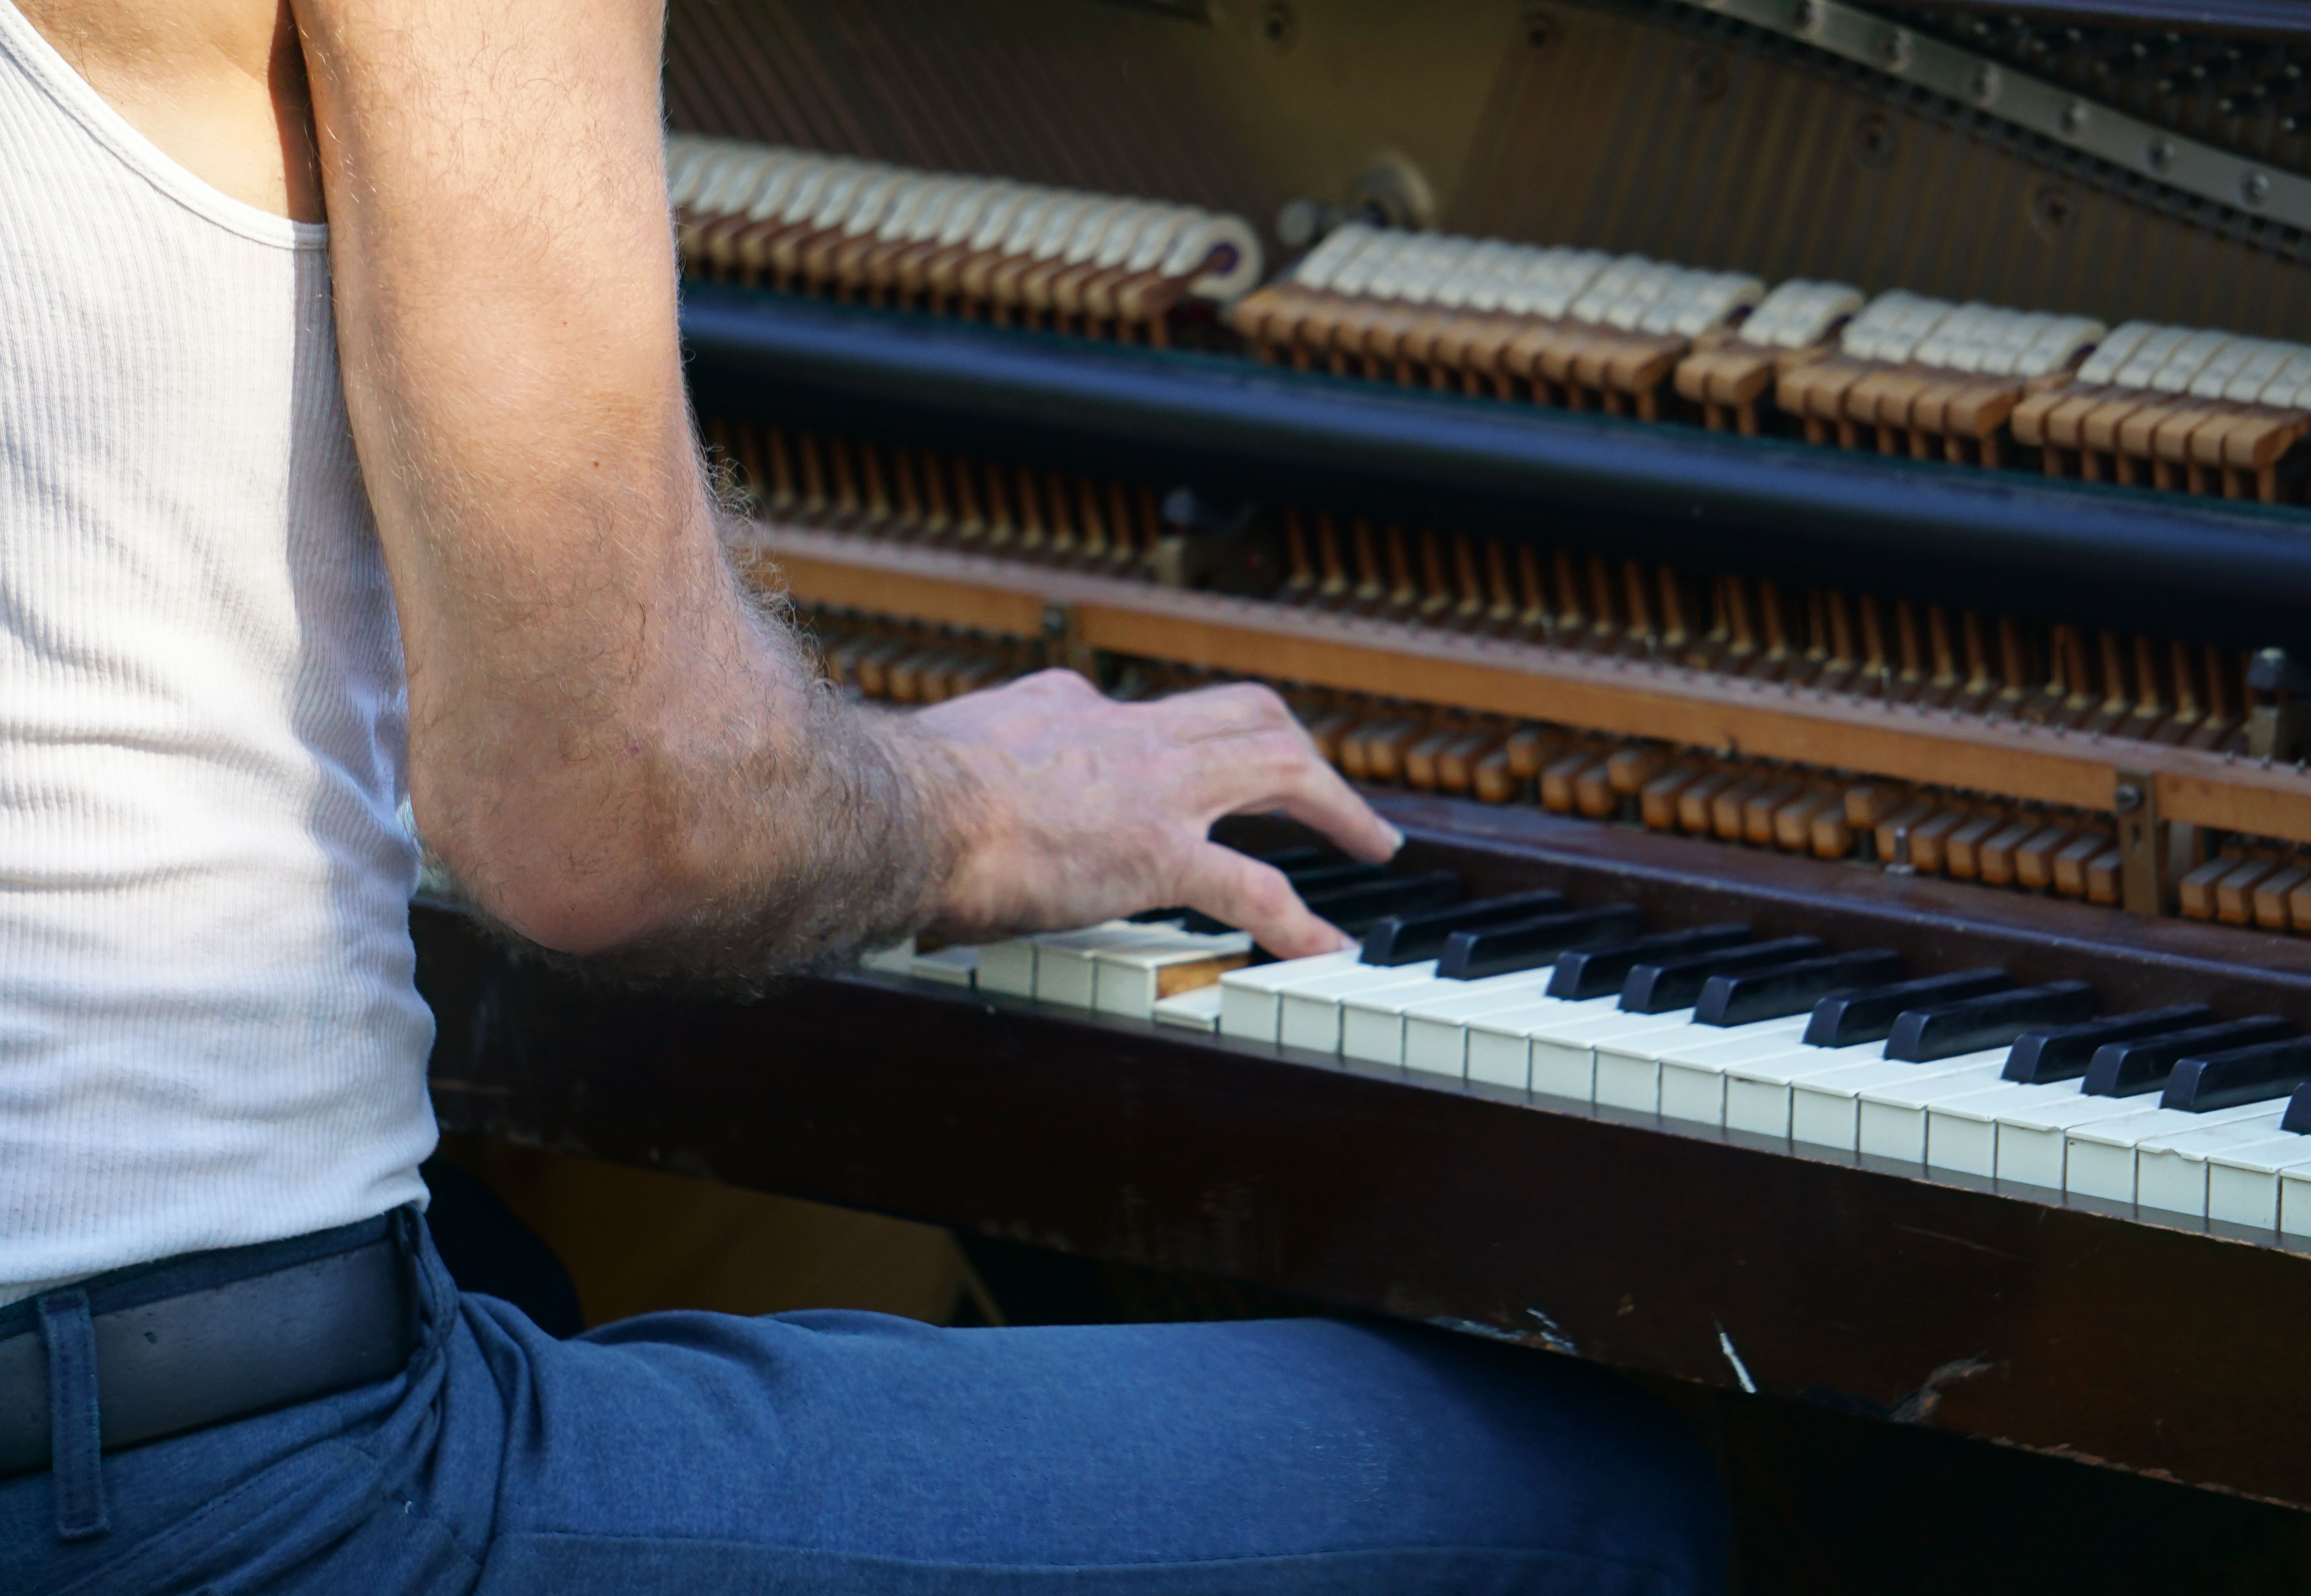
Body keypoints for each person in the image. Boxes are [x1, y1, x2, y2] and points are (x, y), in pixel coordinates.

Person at [0, 0, 1727, 1590]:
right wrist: (970, 805)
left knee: (518, 1260)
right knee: (1597, 1504)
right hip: (200, 1499)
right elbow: (611, 820)